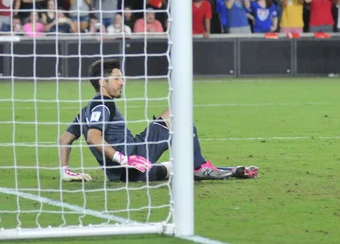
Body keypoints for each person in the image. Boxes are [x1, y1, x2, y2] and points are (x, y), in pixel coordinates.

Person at [57, 59, 259, 183]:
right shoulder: (104, 105)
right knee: (179, 114)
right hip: (134, 157)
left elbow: (64, 139)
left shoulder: (86, 111)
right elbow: (93, 137)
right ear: (103, 82)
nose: (122, 82)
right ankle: (199, 167)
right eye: (117, 78)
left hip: (125, 172)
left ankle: (222, 169)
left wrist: (65, 171)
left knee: (173, 168)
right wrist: (123, 158)